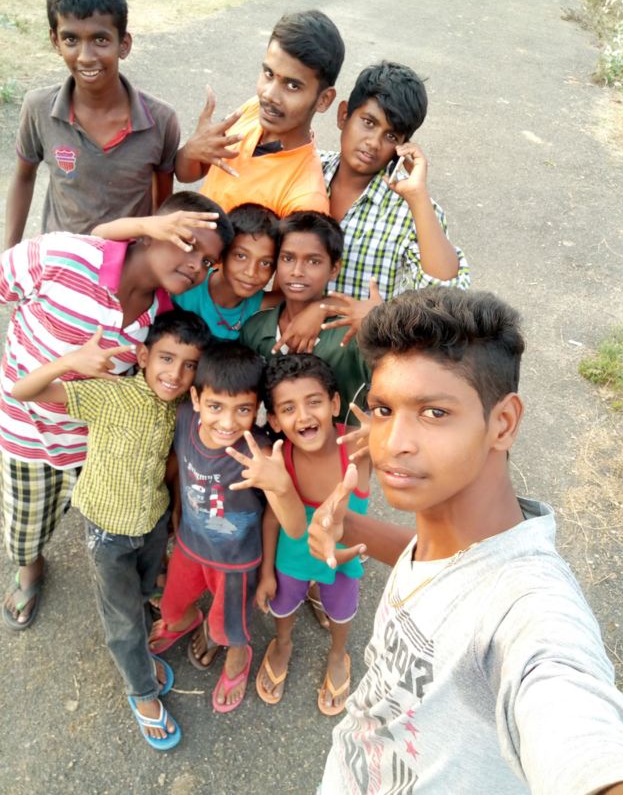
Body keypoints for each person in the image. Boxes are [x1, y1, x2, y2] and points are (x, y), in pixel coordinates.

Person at [307, 287, 623, 793]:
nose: (393, 443)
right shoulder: (456, 534)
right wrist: (350, 527)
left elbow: (581, 733)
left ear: (503, 423)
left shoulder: (530, 609)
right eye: (383, 409)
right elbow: (445, 571)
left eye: (434, 413)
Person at [0, 194, 230, 630]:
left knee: (104, 513)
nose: (196, 266)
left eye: (207, 262)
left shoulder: (161, 318)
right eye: (189, 244)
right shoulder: (61, 255)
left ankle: (137, 578)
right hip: (26, 431)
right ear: (154, 229)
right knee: (26, 522)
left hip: (97, 440)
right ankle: (30, 567)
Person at [11, 309, 212, 749]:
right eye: (166, 359)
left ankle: (140, 649)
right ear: (142, 357)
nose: (176, 374)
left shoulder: (182, 406)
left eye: (189, 365)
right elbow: (23, 390)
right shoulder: (110, 394)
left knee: (142, 593)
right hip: (108, 532)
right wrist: (70, 362)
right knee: (122, 621)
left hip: (152, 521)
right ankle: (141, 693)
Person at [147, 342, 306, 713]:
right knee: (171, 607)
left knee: (228, 628)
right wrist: (176, 508)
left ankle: (239, 654)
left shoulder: (259, 454)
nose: (228, 422)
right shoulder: (185, 419)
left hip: (236, 563)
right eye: (216, 406)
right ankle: (188, 621)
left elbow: (293, 525)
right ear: (196, 399)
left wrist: (280, 486)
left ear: (258, 408)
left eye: (243, 410)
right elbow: (179, 463)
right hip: (189, 544)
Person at [5, 0, 181, 248]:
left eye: (100, 39)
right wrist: (8, 257)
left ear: (124, 44)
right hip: (60, 262)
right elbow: (24, 178)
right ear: (55, 41)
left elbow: (162, 202)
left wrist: (155, 258)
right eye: (71, 39)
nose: (85, 56)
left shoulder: (161, 120)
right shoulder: (38, 108)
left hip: (128, 267)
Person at [240, 354, 370, 715]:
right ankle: (282, 643)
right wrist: (266, 572)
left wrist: (385, 433)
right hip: (292, 555)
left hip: (342, 557)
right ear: (275, 421)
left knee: (342, 610)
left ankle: (338, 653)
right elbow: (273, 520)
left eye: (314, 402)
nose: (303, 416)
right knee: (283, 604)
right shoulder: (279, 461)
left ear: (335, 403)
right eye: (288, 408)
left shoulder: (361, 448)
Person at [319, 61, 471, 308]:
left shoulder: (412, 211)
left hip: (370, 332)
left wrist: (418, 197)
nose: (373, 143)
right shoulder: (309, 168)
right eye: (368, 122)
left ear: (403, 147)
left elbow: (450, 298)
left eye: (391, 136)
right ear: (343, 115)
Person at [175, 10, 344, 217]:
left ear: (324, 99)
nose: (269, 94)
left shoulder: (304, 199)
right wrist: (191, 151)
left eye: (292, 86)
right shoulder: (253, 110)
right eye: (269, 74)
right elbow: (187, 174)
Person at [239, 211, 370, 424]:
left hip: (343, 443)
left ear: (334, 269)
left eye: (313, 261)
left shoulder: (350, 333)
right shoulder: (255, 328)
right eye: (287, 258)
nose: (297, 271)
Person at [173, 203, 282, 339]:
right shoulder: (185, 288)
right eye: (241, 256)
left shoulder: (260, 304)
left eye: (265, 263)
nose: (251, 272)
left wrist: (310, 314)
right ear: (221, 253)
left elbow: (303, 298)